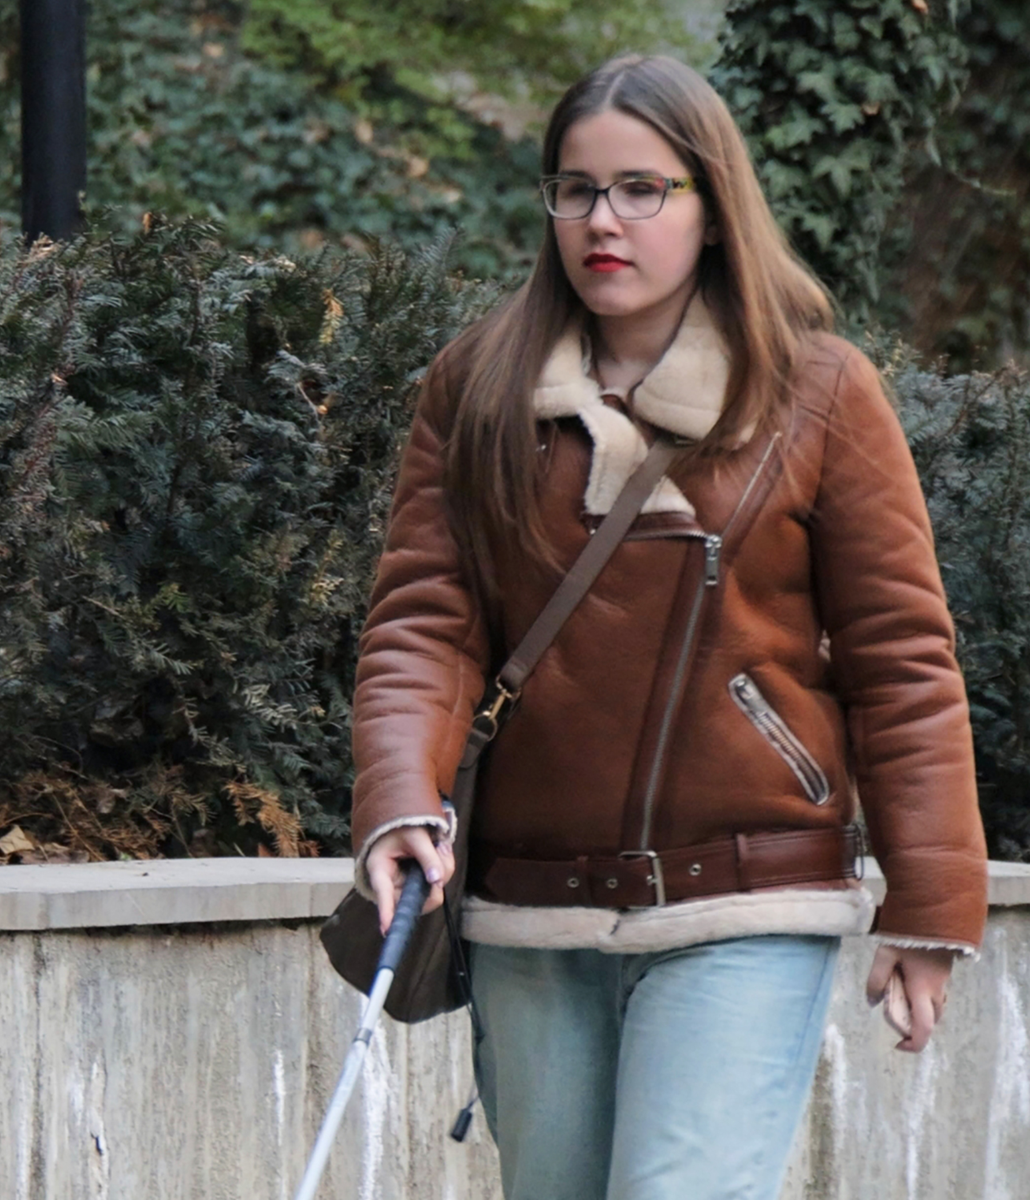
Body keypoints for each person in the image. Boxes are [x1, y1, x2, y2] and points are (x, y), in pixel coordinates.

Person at [346, 53, 987, 1200]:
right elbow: (423, 628)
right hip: (528, 905)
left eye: (643, 189)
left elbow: (901, 661)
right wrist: (397, 800)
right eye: (575, 189)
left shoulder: (818, 392)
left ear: (712, 203)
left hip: (746, 893)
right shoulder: (477, 390)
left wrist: (930, 904)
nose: (603, 220)